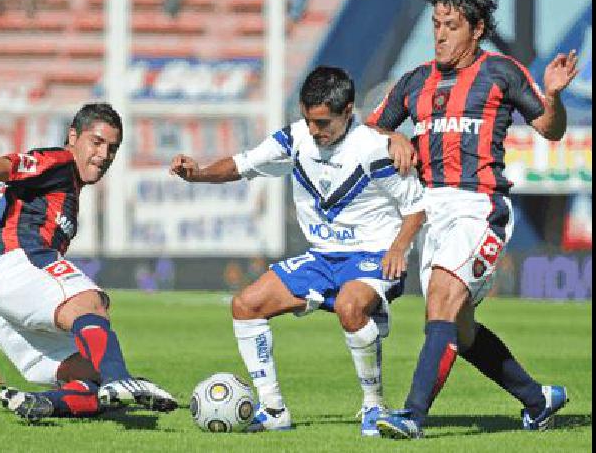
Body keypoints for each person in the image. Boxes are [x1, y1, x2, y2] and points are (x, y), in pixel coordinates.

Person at [364, 0, 581, 439]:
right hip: (431, 211)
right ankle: (537, 400)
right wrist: (395, 135)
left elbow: (551, 129)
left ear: (477, 29)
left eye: (451, 25)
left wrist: (556, 96)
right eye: (436, 23)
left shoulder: (500, 72)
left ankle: (411, 417)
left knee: (443, 299)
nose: (440, 34)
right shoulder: (415, 80)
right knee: (457, 330)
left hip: (479, 206)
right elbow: (365, 134)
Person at [170, 66, 427, 436]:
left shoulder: (376, 149)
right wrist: (199, 174)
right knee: (245, 306)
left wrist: (400, 249)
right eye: (309, 121)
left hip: (373, 255)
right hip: (323, 257)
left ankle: (374, 407)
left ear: (348, 111)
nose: (315, 131)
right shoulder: (295, 139)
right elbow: (243, 164)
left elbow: (415, 208)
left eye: (323, 123)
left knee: (349, 307)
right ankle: (273, 409)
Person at [0, 103, 179, 424]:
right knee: (91, 303)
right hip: (17, 269)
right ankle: (120, 379)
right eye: (96, 142)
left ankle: (44, 402)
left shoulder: (55, 197)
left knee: (93, 379)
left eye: (112, 148)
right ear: (73, 137)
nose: (104, 155)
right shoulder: (59, 163)